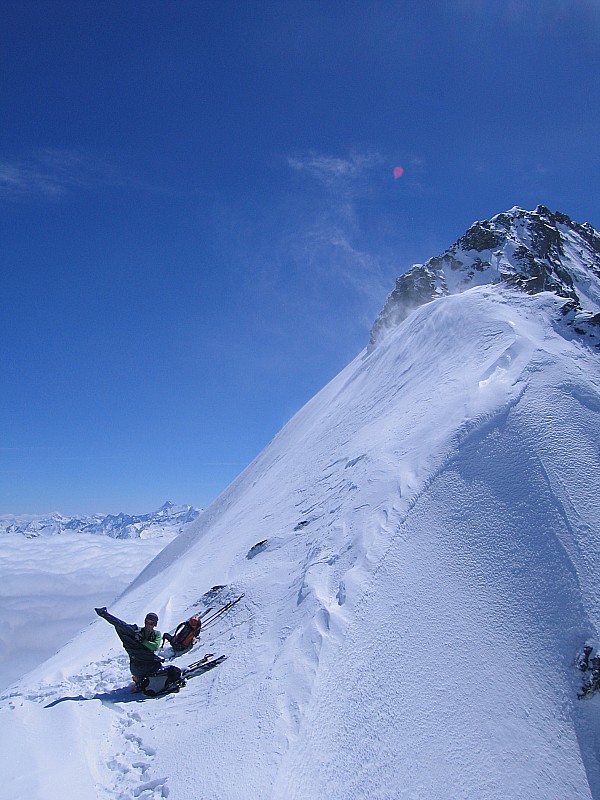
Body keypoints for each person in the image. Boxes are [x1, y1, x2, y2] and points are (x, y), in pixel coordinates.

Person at [95, 607, 163, 688]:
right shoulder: (137, 631)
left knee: (157, 665)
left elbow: (155, 646)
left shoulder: (157, 634)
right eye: (147, 623)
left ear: (155, 624)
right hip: (136, 667)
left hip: (150, 665)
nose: (148, 625)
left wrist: (143, 641)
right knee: (124, 628)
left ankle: (142, 680)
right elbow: (123, 626)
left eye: (151, 623)